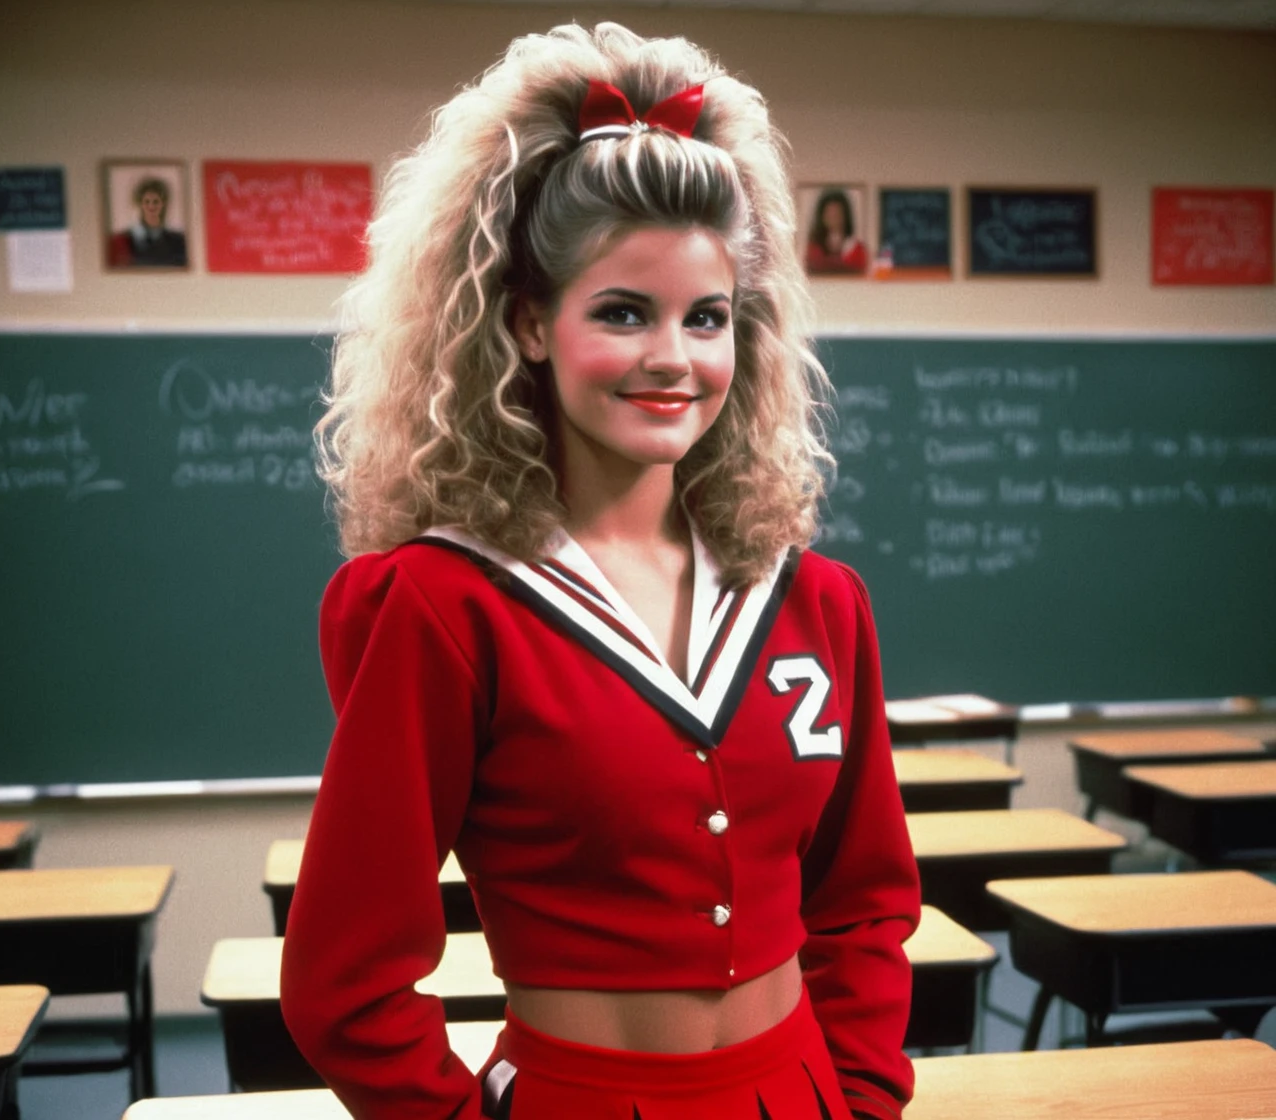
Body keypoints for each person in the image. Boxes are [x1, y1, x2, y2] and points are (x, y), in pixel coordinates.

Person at [280, 21, 919, 1120]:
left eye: (706, 318)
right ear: (528, 323)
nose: (673, 358)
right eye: (622, 313)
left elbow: (863, 905)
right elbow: (344, 978)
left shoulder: (817, 601)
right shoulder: (445, 605)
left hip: (799, 1094)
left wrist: (856, 1096)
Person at [107, 175, 187, 267]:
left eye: (156, 202)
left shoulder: (178, 241)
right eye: (146, 202)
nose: (151, 207)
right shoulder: (120, 240)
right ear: (139, 203)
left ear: (163, 204)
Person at [805, 188, 867, 275]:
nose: (833, 218)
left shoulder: (856, 248)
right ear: (822, 216)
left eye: (837, 214)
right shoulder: (813, 247)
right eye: (829, 214)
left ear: (845, 216)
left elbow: (860, 271)